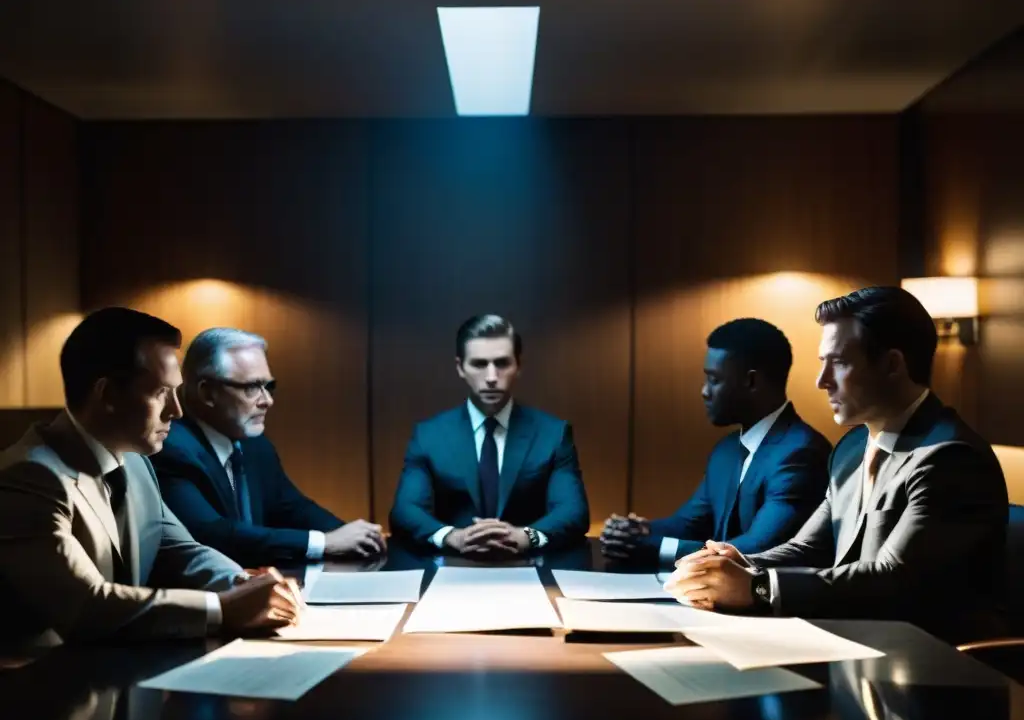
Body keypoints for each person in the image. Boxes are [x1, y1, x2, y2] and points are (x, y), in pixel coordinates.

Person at [664, 287, 1009, 644]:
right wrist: (741, 561)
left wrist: (758, 587)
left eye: (839, 362)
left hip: (939, 667)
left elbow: (893, 578)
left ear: (892, 365)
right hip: (859, 646)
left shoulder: (950, 456)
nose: (821, 380)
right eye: (822, 362)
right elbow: (810, 547)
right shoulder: (851, 448)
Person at [0, 308, 302, 646]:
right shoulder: (29, 478)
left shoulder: (135, 461)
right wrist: (221, 608)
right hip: (39, 683)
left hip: (115, 669)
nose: (177, 409)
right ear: (108, 395)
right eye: (161, 393)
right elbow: (86, 606)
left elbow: (180, 550)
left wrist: (243, 585)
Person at [601, 318, 831, 566]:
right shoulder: (727, 450)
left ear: (751, 381)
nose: (704, 391)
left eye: (714, 379)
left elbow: (757, 548)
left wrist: (653, 548)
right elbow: (688, 524)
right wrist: (636, 531)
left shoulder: (801, 454)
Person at [151, 328, 384, 567]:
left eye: (268, 386)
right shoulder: (171, 449)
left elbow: (292, 507)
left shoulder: (254, 444)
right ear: (207, 392)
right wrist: (323, 542)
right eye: (252, 388)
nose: (267, 401)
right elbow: (213, 534)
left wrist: (352, 534)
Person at [389, 314, 590, 556]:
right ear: (460, 368)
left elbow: (573, 510)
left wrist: (526, 536)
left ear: (518, 366)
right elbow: (405, 510)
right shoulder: (429, 434)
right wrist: (453, 536)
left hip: (531, 570)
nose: (492, 377)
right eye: (479, 364)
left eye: (502, 363)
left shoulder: (553, 433)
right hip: (452, 570)